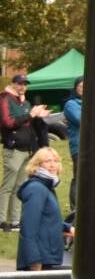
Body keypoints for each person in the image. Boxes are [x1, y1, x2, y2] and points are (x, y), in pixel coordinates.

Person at [14, 148, 69, 279]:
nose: (53, 165)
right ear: (37, 165)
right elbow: (29, 228)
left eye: (55, 161)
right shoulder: (37, 189)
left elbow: (47, 217)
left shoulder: (46, 187)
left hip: (48, 258)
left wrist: (66, 228)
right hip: (40, 262)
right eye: (47, 161)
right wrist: (34, 262)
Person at [1, 73, 48, 231]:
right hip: (13, 149)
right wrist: (30, 115)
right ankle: (1, 220)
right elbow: (8, 123)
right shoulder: (5, 99)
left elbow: (29, 123)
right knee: (8, 186)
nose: (22, 87)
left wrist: (38, 117)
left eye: (25, 84)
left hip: (27, 149)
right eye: (20, 84)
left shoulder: (25, 102)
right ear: (13, 84)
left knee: (20, 186)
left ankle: (15, 221)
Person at [60, 77, 82, 216]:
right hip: (80, 146)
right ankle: (75, 209)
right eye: (81, 86)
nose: (84, 88)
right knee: (79, 176)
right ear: (75, 88)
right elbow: (82, 120)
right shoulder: (71, 104)